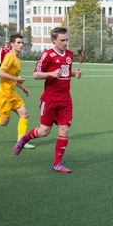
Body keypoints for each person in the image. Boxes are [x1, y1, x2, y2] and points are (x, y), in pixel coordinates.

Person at [14, 27, 82, 173]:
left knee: (64, 129)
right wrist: (50, 73)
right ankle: (24, 139)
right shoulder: (47, 55)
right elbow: (36, 75)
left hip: (65, 100)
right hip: (50, 100)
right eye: (62, 40)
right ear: (53, 40)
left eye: (66, 40)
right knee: (44, 131)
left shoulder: (69, 54)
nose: (65, 43)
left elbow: (64, 72)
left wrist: (73, 74)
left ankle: (57, 164)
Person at [0, 34, 35, 149]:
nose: (21, 45)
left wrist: (23, 88)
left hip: (12, 93)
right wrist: (17, 79)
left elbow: (12, 77)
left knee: (24, 115)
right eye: (18, 42)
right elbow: (0, 73)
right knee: (4, 122)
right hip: (4, 95)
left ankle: (21, 142)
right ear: (12, 44)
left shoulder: (18, 60)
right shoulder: (9, 56)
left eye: (22, 42)